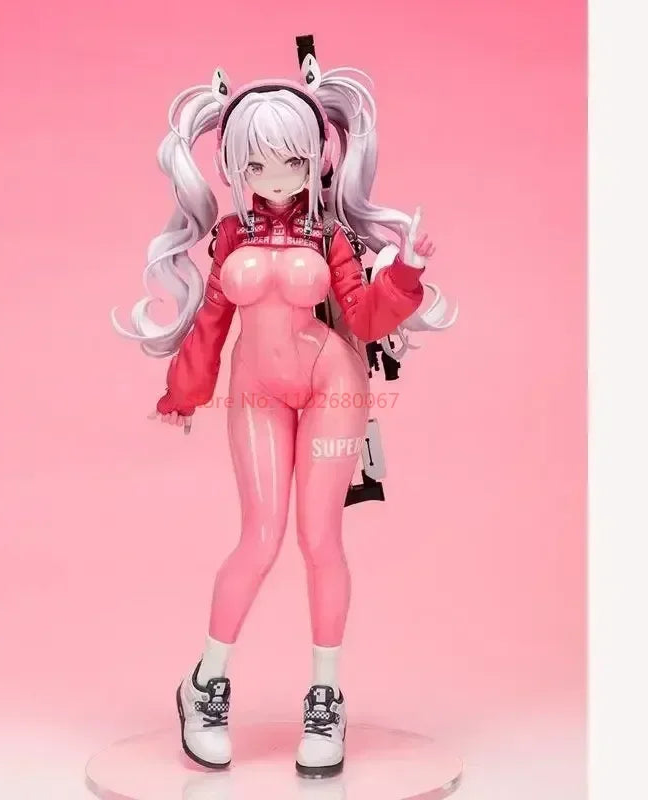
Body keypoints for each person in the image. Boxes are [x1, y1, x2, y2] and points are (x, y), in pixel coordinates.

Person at [112, 53, 455, 777]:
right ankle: (204, 683)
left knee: (319, 539)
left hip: (332, 385)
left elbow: (363, 316)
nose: (276, 178)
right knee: (259, 539)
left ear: (315, 160)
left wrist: (407, 273)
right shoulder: (229, 236)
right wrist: (183, 392)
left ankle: (326, 698)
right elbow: (211, 321)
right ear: (234, 165)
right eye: (258, 164)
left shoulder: (330, 236)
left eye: (293, 161)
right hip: (257, 391)